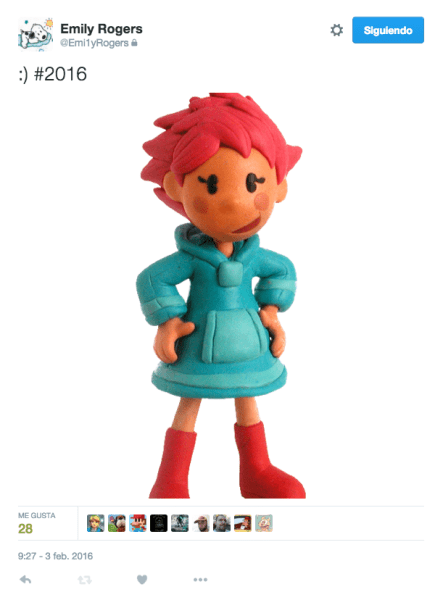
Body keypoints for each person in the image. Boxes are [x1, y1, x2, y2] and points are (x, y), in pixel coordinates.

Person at [137, 93, 306, 500]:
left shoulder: (254, 256)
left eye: (253, 183)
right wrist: (168, 321)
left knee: (248, 398)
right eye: (211, 185)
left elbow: (282, 269)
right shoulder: (191, 258)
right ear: (177, 187)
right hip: (196, 343)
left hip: (250, 344)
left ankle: (257, 470)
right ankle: (171, 479)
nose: (234, 201)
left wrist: (271, 311)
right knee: (189, 401)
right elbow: (153, 279)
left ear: (279, 186)